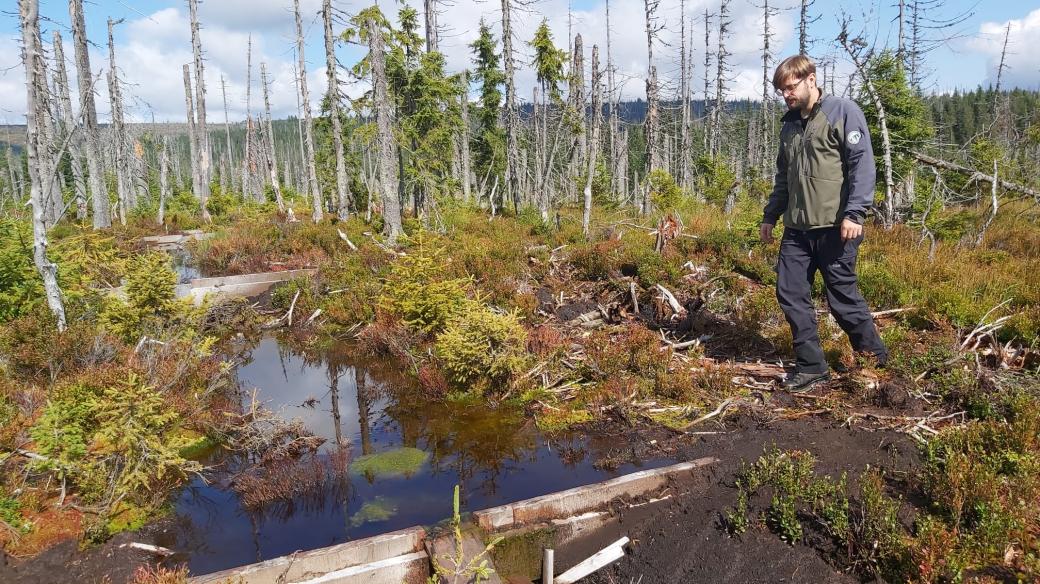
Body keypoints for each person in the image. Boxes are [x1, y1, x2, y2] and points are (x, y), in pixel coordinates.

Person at [760, 55, 888, 391]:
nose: (786, 94)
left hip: (836, 227)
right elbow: (784, 177)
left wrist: (855, 213)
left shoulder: (843, 112)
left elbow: (862, 165)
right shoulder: (789, 125)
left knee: (842, 298)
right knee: (790, 293)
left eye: (791, 87)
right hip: (797, 230)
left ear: (811, 80)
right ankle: (812, 366)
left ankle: (874, 356)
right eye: (782, 90)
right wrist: (770, 216)